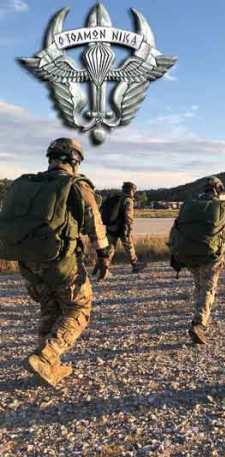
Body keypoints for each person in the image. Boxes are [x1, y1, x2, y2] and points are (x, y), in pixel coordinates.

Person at [0, 138, 110, 387]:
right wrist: (103, 255)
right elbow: (94, 222)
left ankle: (48, 365)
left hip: (28, 264)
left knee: (50, 307)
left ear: (50, 158)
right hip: (61, 263)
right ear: (75, 160)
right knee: (79, 307)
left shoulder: (28, 184)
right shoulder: (75, 184)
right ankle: (46, 356)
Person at [169, 177, 225, 344]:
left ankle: (199, 310)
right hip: (211, 255)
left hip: (188, 252)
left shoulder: (189, 205)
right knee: (208, 288)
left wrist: (174, 250)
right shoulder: (224, 206)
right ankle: (199, 323)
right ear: (219, 189)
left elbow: (176, 228)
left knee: (199, 283)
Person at [103, 181, 146, 274]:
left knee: (110, 247)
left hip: (111, 227)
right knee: (129, 246)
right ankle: (135, 265)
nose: (134, 192)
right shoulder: (128, 200)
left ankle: (104, 266)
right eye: (134, 190)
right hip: (122, 228)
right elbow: (129, 217)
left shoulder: (115, 198)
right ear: (131, 190)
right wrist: (129, 229)